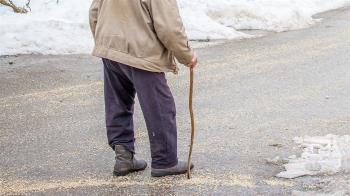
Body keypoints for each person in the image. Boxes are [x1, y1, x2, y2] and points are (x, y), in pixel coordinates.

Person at [89, 0, 198, 177]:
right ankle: (165, 161)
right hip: (142, 51)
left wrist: (106, 44)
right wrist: (187, 55)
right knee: (160, 107)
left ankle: (124, 157)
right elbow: (169, 27)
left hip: (110, 47)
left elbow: (94, 12)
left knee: (118, 102)